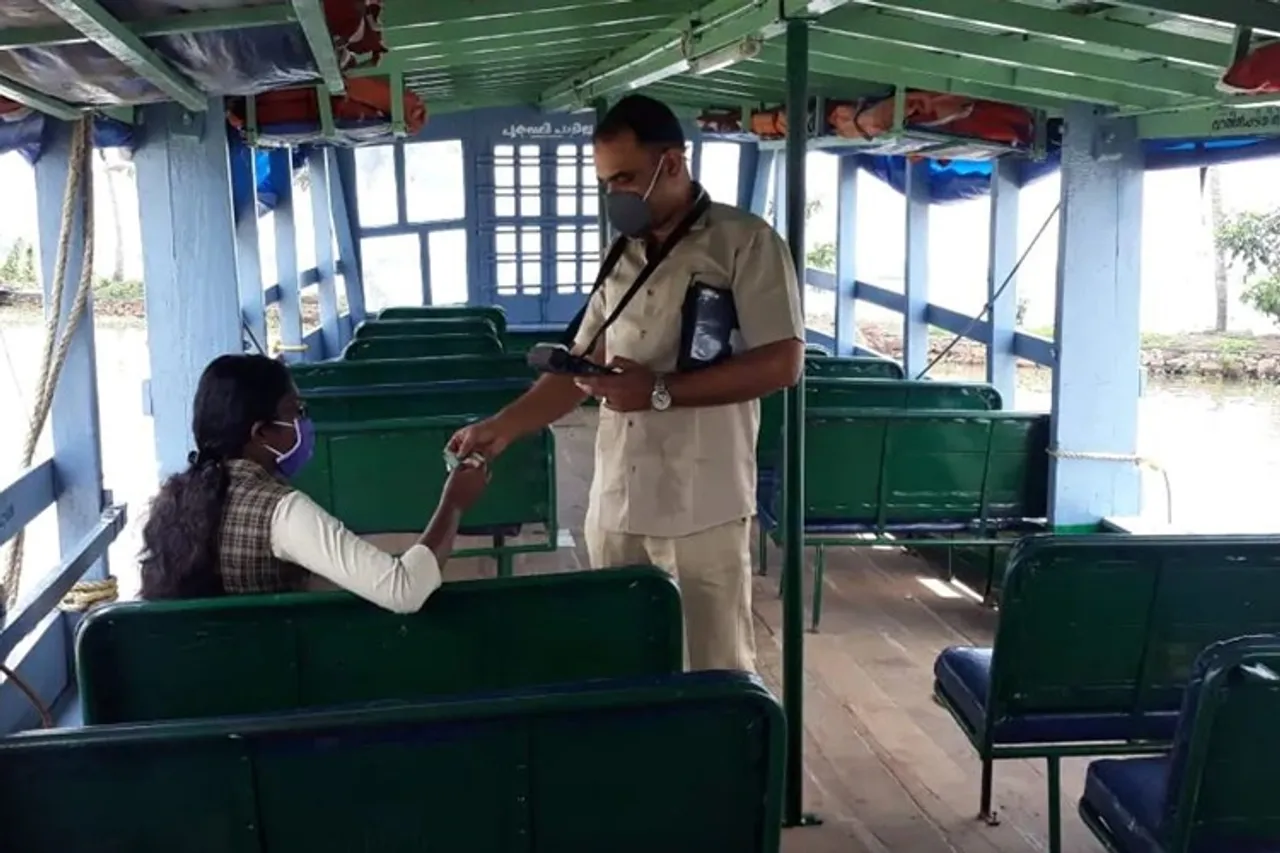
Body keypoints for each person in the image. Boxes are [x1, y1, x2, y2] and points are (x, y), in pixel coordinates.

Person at [449, 94, 804, 672]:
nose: (618, 195)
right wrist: (500, 428)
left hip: (704, 501)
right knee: (620, 651)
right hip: (619, 495)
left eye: (627, 178)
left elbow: (782, 364)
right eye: (607, 182)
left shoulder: (745, 242)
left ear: (674, 162)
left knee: (714, 663)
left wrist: (661, 389)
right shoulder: (621, 254)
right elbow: (581, 366)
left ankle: (716, 759)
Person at [139, 353, 488, 613]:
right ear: (261, 433)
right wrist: (453, 503)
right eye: (297, 412)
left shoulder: (175, 499)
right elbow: (404, 589)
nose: (305, 423)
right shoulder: (280, 513)